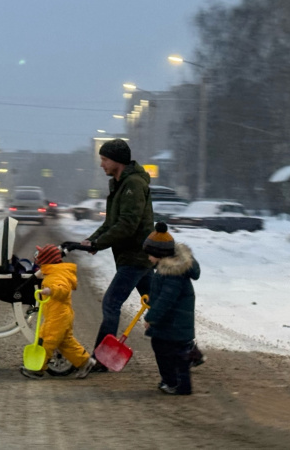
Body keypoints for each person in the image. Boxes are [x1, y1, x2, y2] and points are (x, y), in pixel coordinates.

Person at [80, 138, 155, 372]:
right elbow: (111, 222)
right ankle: (188, 350)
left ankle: (101, 358)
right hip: (136, 256)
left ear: (117, 161)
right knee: (158, 303)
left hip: (136, 256)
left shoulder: (132, 184)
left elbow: (127, 225)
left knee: (111, 303)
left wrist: (99, 244)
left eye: (104, 159)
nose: (101, 164)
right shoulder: (120, 183)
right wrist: (92, 241)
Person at [20, 244, 96, 380]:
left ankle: (37, 369)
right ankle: (85, 361)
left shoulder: (56, 275)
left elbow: (63, 289)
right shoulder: (56, 271)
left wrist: (51, 290)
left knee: (46, 341)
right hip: (60, 314)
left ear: (46, 260)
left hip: (58, 316)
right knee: (65, 342)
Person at [141, 222, 200, 395]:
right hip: (172, 324)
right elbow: (161, 297)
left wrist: (150, 317)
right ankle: (175, 379)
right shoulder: (166, 270)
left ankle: (176, 383)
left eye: (150, 254)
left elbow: (165, 301)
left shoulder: (172, 274)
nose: (148, 258)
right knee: (170, 351)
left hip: (174, 325)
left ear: (159, 253)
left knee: (169, 352)